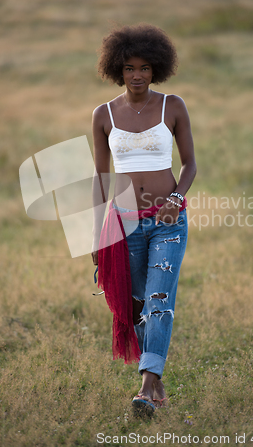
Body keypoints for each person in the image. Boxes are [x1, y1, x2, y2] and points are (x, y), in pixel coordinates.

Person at [91, 23, 196, 416]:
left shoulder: (173, 106)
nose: (138, 75)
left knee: (159, 300)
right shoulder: (103, 115)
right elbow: (101, 183)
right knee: (136, 306)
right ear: (118, 69)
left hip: (168, 220)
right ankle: (156, 382)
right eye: (131, 68)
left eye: (146, 68)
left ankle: (145, 387)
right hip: (124, 223)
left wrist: (175, 198)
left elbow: (190, 165)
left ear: (157, 70)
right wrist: (96, 239)